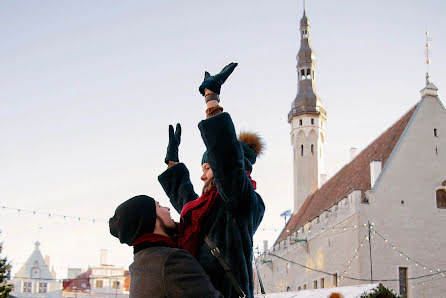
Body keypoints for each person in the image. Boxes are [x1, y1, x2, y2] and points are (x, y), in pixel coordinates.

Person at [158, 62, 265, 298]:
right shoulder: (209, 207)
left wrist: (212, 101)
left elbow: (227, 162)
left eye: (207, 167)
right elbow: (186, 202)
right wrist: (172, 163)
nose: (202, 175)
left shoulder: (244, 200)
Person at [109, 195, 222, 298]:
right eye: (159, 206)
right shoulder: (171, 260)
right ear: (151, 219)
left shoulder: (140, 264)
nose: (167, 208)